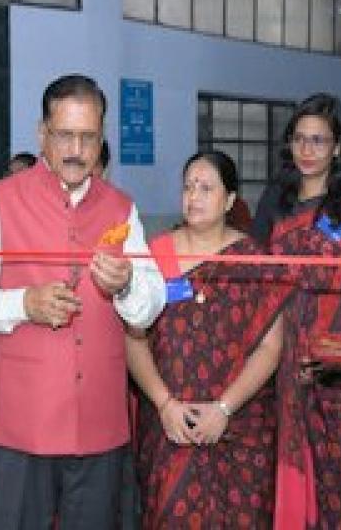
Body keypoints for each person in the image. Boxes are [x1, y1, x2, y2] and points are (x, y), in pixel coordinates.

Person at [0, 74, 166, 529]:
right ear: (42, 134)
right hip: (21, 423)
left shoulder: (122, 208)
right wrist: (24, 304)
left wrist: (126, 285)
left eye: (88, 137)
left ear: (101, 139)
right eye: (64, 135)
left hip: (99, 424)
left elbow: (150, 306)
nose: (76, 150)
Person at [128, 151, 287, 528]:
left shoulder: (252, 260)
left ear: (230, 200)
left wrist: (224, 409)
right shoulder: (154, 255)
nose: (193, 197)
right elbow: (133, 339)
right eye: (188, 187)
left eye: (206, 188)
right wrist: (165, 405)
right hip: (170, 424)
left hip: (240, 425)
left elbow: (270, 347)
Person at [252, 93, 341, 529]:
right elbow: (257, 278)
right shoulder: (275, 201)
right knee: (289, 476)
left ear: (337, 147)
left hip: (340, 369)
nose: (307, 149)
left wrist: (339, 351)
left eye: (319, 140)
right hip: (282, 358)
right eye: (299, 139)